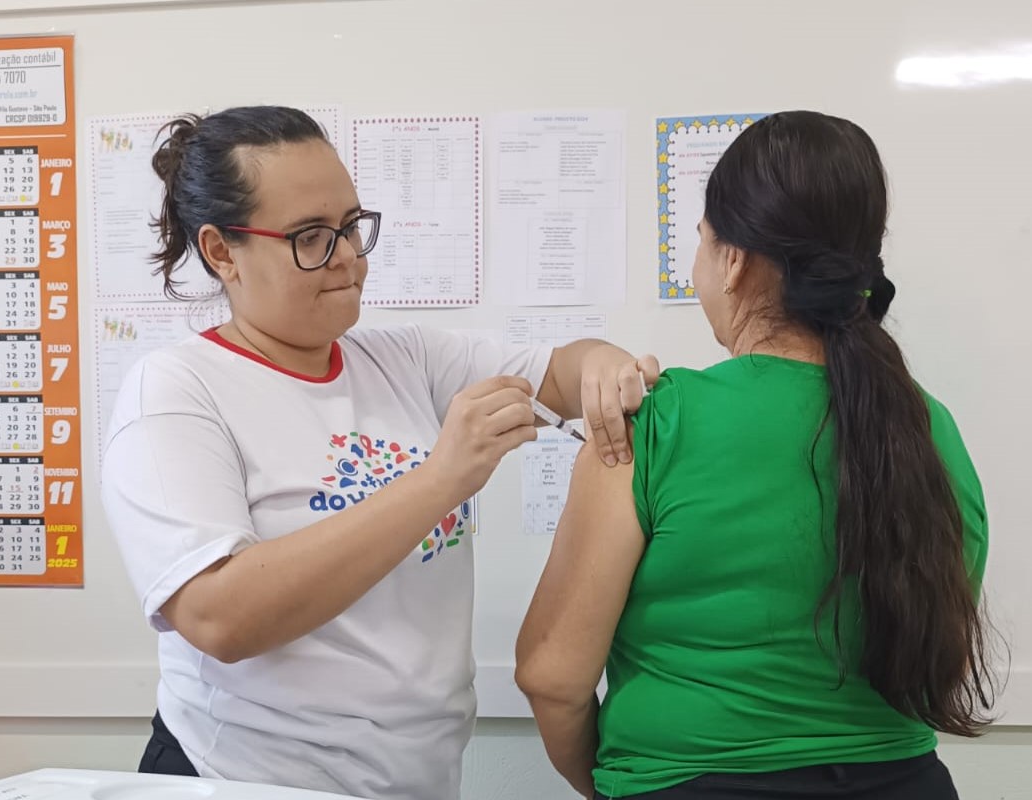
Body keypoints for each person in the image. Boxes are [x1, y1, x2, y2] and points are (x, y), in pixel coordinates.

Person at [99, 105, 657, 800]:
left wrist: (604, 366)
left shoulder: (408, 359)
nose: (348, 259)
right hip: (244, 782)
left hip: (412, 782)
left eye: (352, 227)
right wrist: (440, 480)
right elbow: (219, 615)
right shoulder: (177, 391)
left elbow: (563, 370)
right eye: (310, 237)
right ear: (221, 251)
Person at [515, 111, 997, 800]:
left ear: (733, 260)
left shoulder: (654, 423)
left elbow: (551, 675)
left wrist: (624, 782)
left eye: (704, 244)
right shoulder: (928, 429)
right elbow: (936, 644)